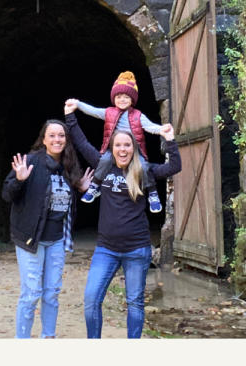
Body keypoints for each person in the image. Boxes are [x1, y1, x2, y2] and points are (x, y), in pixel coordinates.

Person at [64, 99, 180, 339]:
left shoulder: (144, 170)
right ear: (112, 148)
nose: (123, 149)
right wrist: (70, 116)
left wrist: (170, 140)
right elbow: (81, 142)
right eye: (118, 145)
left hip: (137, 250)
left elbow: (174, 167)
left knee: (135, 303)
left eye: (127, 145)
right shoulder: (103, 166)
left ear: (134, 148)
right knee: (91, 300)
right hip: (106, 249)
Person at [2, 119, 93, 339]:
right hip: (30, 238)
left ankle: (48, 337)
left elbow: (63, 203)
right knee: (31, 293)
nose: (57, 139)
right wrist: (19, 180)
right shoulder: (30, 162)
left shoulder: (69, 166)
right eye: (52, 135)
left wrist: (79, 188)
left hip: (57, 240)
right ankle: (21, 340)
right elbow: (7, 194)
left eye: (61, 135)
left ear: (66, 139)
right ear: (44, 139)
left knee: (51, 293)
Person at [66, 70, 166, 212]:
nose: (122, 99)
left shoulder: (138, 116)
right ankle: (95, 186)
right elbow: (93, 110)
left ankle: (153, 193)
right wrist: (78, 104)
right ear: (114, 98)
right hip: (114, 150)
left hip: (134, 151)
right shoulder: (109, 113)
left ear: (132, 99)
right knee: (104, 161)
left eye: (126, 96)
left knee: (144, 167)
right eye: (118, 96)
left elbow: (150, 127)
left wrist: (162, 130)